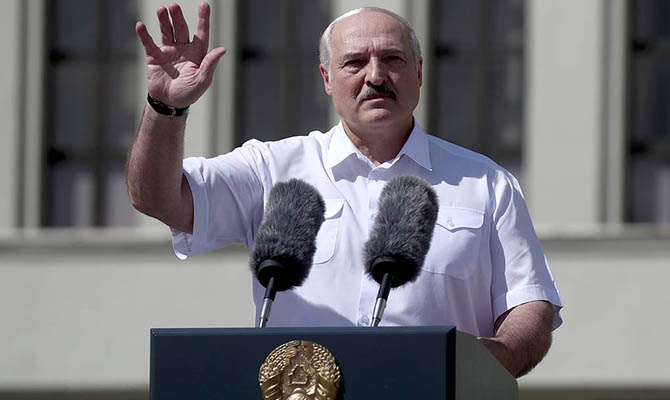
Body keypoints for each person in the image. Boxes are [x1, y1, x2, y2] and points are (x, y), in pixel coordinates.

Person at [127, 2, 563, 377]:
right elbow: (158, 198)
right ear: (327, 78)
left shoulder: (485, 182)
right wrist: (166, 107)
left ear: (419, 72)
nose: (376, 76)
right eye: (354, 63)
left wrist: (487, 361)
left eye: (392, 59)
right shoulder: (272, 169)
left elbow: (529, 305)